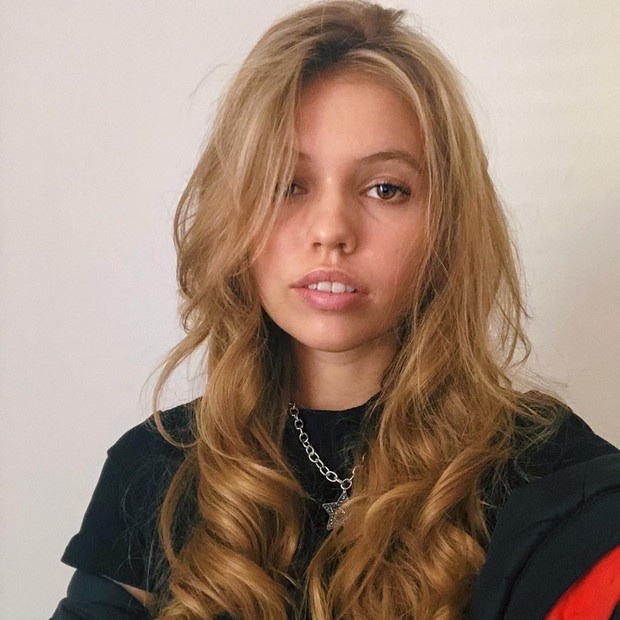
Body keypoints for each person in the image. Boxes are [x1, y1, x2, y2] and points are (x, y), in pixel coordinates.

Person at [52, 1, 620, 618]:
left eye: (385, 189)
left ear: (447, 223)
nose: (331, 230)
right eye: (285, 184)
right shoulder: (155, 470)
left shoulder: (550, 471)